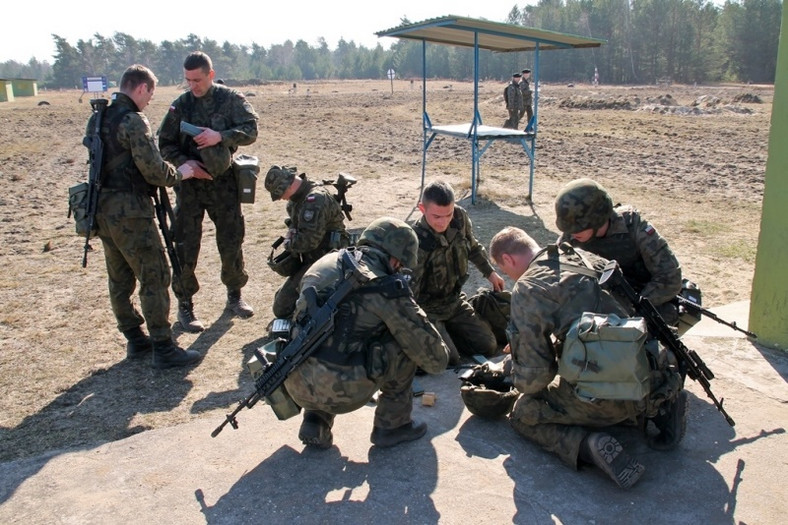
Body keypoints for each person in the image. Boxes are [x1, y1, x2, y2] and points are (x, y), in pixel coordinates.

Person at [488, 227, 685, 489]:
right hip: (655, 372)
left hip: (608, 395)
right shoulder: (583, 257)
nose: (509, 277)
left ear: (508, 260)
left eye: (504, 270)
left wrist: (515, 373)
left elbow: (536, 378)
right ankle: (660, 410)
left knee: (524, 412)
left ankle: (589, 446)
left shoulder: (529, 288)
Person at [283, 217, 450, 449]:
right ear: (393, 259)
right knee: (405, 343)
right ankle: (392, 426)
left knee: (323, 336)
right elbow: (436, 360)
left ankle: (316, 419)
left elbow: (282, 309)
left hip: (295, 382)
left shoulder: (324, 263)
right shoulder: (387, 289)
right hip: (346, 392)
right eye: (400, 264)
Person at [87, 65, 211, 368]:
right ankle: (163, 346)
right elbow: (154, 171)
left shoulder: (98, 116)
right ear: (141, 88)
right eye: (150, 94)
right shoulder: (133, 121)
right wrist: (181, 172)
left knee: (119, 276)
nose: (149, 101)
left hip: (101, 209)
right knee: (155, 273)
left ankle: (135, 339)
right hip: (130, 211)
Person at [158, 51, 259, 333]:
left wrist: (221, 136)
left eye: (198, 80)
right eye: (188, 80)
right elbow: (164, 143)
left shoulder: (230, 99)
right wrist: (184, 162)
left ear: (210, 75)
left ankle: (235, 296)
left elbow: (251, 129)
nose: (193, 85)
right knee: (186, 244)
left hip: (223, 182)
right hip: (190, 185)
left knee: (231, 239)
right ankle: (185, 306)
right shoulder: (181, 105)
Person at [554, 178, 683, 326]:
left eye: (577, 227)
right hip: (601, 308)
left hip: (644, 303)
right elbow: (556, 279)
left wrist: (631, 309)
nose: (570, 233)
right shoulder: (570, 238)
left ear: (597, 219)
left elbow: (670, 278)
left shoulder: (633, 227)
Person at [411, 181, 505, 363]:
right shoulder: (415, 240)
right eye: (437, 216)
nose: (444, 221)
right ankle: (442, 336)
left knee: (488, 346)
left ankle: (449, 333)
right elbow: (410, 293)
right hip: (427, 308)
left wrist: (491, 273)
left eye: (448, 214)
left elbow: (473, 247)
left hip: (454, 301)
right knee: (448, 359)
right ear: (422, 209)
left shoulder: (459, 218)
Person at [264, 165, 349, 319]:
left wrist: (289, 242)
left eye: (280, 194)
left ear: (286, 186)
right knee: (281, 304)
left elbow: (308, 242)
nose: (281, 198)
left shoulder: (315, 199)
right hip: (313, 258)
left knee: (282, 309)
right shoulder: (297, 200)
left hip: (328, 261)